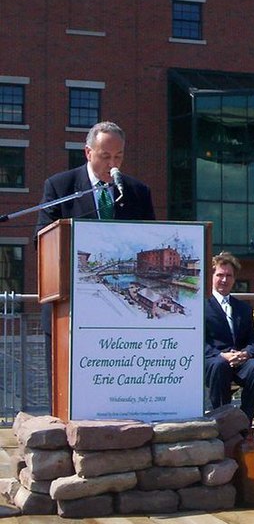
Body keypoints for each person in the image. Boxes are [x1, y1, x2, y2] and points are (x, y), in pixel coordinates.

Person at [35, 121, 155, 395]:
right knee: (67, 393)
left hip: (122, 313)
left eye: (118, 156)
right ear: (88, 152)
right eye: (105, 156)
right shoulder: (60, 187)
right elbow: (40, 240)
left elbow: (151, 240)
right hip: (70, 307)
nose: (112, 164)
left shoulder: (136, 192)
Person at [205, 252, 254, 425]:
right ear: (211, 276)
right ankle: (222, 422)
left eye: (229, 276)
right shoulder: (202, 305)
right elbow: (198, 341)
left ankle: (244, 422)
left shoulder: (243, 308)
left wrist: (246, 354)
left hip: (240, 361)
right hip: (212, 360)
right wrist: (222, 355)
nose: (224, 280)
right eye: (220, 275)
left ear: (234, 279)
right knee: (220, 365)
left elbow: (253, 341)